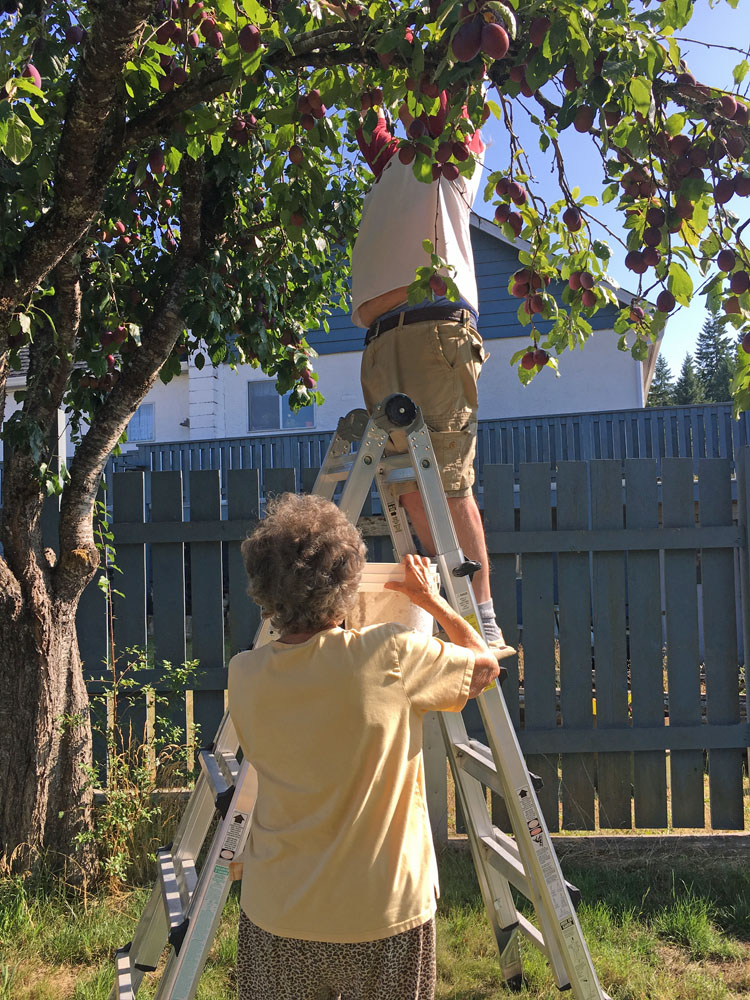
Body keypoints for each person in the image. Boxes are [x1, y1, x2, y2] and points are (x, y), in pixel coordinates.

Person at [228, 492, 499, 1000]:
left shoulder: (244, 674)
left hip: (277, 910)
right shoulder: (389, 653)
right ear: (348, 579)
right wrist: (429, 600)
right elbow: (484, 665)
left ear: (263, 584)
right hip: (383, 912)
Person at [352, 96, 509, 651]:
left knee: (448, 480)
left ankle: (482, 616)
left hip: (432, 330)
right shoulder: (393, 163)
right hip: (381, 338)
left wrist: (450, 31)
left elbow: (457, 78)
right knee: (409, 482)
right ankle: (454, 611)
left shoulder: (447, 153)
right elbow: (370, 128)